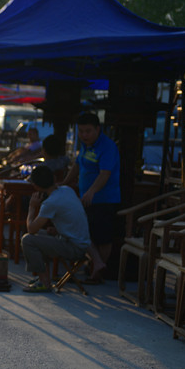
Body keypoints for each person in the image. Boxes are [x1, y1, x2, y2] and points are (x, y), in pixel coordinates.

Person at [62, 112, 117, 283]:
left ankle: (97, 273)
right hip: (85, 198)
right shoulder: (86, 145)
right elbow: (78, 165)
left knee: (103, 237)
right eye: (81, 132)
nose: (84, 135)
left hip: (105, 199)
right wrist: (64, 184)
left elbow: (105, 173)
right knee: (83, 232)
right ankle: (94, 265)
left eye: (88, 131)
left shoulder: (107, 147)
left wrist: (92, 191)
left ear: (97, 129)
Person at [21, 165, 91, 293]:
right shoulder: (67, 189)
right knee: (40, 235)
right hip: (79, 242)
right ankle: (44, 278)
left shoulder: (50, 202)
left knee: (28, 240)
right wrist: (58, 230)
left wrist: (32, 207)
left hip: (74, 247)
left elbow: (31, 229)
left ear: (36, 187)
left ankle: (43, 282)